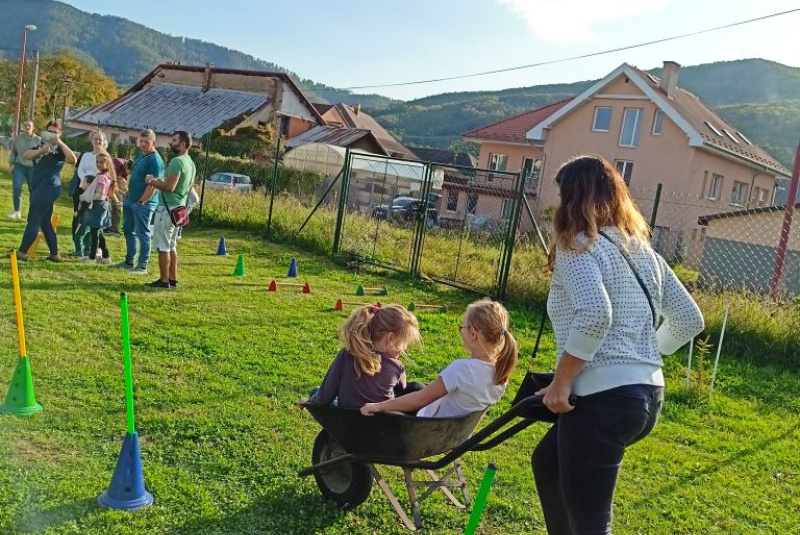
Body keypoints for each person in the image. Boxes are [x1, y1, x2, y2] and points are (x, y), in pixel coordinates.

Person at [530, 155, 704, 535]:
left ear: (573, 198)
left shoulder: (577, 246)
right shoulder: (642, 250)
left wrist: (563, 383)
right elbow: (690, 320)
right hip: (647, 396)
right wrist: (634, 362)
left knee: (591, 523)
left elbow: (595, 314)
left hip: (605, 404)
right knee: (548, 464)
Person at [361, 299, 518, 418]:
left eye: (461, 328)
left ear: (472, 334)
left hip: (423, 425)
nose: (461, 332)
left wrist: (378, 406)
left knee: (409, 391)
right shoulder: (501, 372)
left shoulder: (462, 369)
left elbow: (421, 400)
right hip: (451, 431)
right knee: (416, 386)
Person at [300, 304, 422, 409]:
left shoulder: (346, 354)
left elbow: (326, 394)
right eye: (404, 343)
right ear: (390, 338)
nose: (404, 349)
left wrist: (310, 403)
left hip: (347, 418)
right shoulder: (397, 366)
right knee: (416, 387)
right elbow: (402, 390)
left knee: (316, 391)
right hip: (383, 422)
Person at [16, 121, 77, 262]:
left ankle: (22, 253)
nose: (52, 134)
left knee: (33, 220)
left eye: (55, 132)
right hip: (39, 187)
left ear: (59, 133)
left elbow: (73, 159)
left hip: (48, 188)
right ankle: (55, 255)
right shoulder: (43, 145)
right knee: (45, 223)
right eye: (49, 131)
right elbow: (26, 155)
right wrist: (41, 151)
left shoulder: (61, 149)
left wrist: (59, 142)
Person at [143, 131, 196, 289]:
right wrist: (161, 181)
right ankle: (172, 278)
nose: (170, 143)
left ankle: (164, 280)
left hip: (167, 210)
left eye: (174, 140)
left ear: (183, 144)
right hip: (178, 209)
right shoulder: (190, 163)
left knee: (163, 246)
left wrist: (152, 181)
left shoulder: (176, 161)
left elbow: (169, 187)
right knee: (172, 245)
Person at [114, 129, 164, 274]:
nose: (142, 144)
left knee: (142, 233)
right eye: (140, 141)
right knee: (128, 230)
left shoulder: (155, 160)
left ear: (153, 142)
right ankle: (129, 261)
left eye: (146, 142)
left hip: (144, 203)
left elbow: (153, 184)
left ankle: (142, 266)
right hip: (131, 199)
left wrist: (141, 202)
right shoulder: (140, 155)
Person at [75, 151, 116, 264]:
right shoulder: (101, 175)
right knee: (99, 232)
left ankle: (92, 257)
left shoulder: (102, 177)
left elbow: (100, 194)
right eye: (97, 161)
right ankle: (106, 256)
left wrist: (87, 197)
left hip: (98, 206)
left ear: (107, 164)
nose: (99, 164)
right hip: (100, 205)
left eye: (102, 162)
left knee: (95, 233)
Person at [70, 130, 107, 238]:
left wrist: (93, 184)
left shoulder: (105, 157)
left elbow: (105, 173)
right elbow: (80, 170)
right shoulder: (85, 155)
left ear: (104, 141)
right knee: (78, 213)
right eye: (95, 139)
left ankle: (94, 246)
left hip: (97, 190)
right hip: (82, 186)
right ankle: (76, 241)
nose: (97, 141)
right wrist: (85, 181)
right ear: (92, 140)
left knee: (93, 217)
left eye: (100, 139)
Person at [7, 120, 41, 220]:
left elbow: (41, 154)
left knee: (33, 190)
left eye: (29, 126)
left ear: (33, 128)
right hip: (19, 166)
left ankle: (32, 213)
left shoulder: (38, 140)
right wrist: (11, 164)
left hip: (33, 167)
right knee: (17, 188)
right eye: (25, 125)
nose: (27, 127)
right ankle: (17, 211)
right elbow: (14, 152)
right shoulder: (17, 138)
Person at [106, 157, 130, 235]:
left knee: (118, 206)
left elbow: (123, 182)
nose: (129, 174)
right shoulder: (117, 163)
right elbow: (111, 179)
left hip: (116, 184)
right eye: (129, 172)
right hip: (107, 183)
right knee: (108, 205)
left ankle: (114, 227)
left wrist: (127, 193)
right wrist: (120, 191)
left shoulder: (126, 169)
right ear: (127, 167)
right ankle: (105, 226)